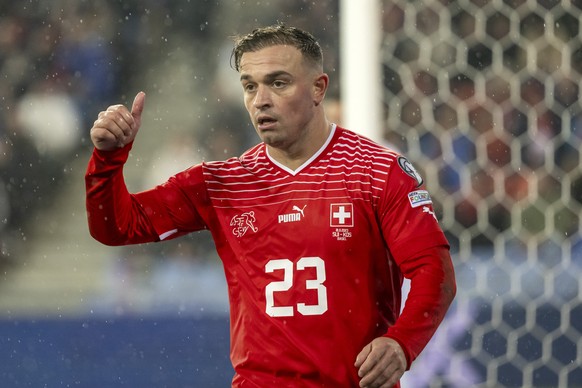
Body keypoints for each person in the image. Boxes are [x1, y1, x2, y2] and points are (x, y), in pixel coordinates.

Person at [85, 24, 456, 388]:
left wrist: (401, 343)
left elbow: (433, 271)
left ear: (317, 88)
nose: (260, 99)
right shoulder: (221, 184)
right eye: (250, 86)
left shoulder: (375, 170)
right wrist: (108, 159)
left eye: (278, 83)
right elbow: (116, 227)